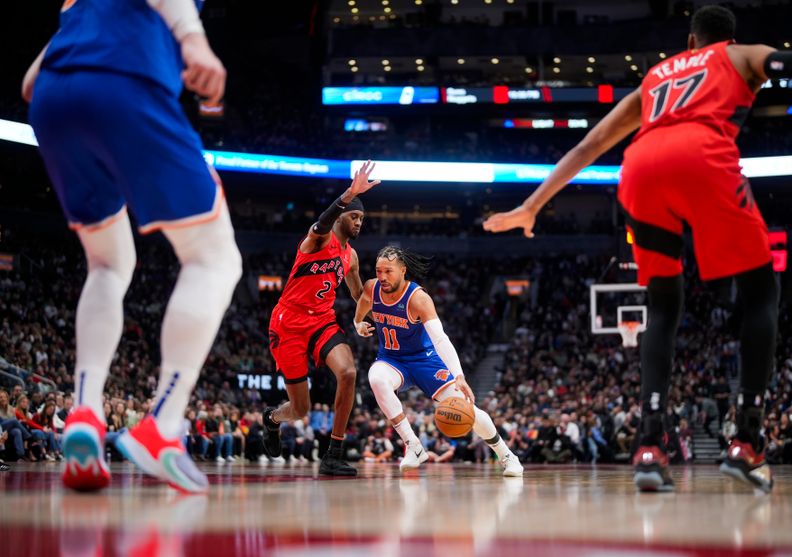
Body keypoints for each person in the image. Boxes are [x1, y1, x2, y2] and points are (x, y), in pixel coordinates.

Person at [483, 5, 792, 493]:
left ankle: (650, 445)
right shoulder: (739, 55)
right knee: (761, 292)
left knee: (662, 306)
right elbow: (788, 63)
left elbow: (589, 146)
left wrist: (531, 206)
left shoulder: (656, 76)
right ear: (726, 39)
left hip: (641, 168)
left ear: (690, 41)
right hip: (703, 156)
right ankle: (749, 440)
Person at [24, 0, 241, 492]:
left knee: (108, 263)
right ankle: (162, 426)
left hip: (53, 99)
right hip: (125, 82)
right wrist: (193, 39)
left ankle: (84, 411)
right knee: (214, 257)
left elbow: (29, 82)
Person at [353, 246, 523, 477]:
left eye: (388, 271)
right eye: (378, 270)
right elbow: (363, 301)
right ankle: (413, 446)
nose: (382, 276)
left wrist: (459, 376)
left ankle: (506, 455)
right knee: (376, 378)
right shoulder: (372, 288)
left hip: (425, 361)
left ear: (403, 270)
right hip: (392, 360)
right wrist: (357, 323)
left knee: (467, 410)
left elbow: (441, 340)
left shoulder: (419, 299)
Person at [262, 162, 380, 476]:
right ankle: (272, 419)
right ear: (341, 216)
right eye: (355, 216)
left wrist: (379, 306)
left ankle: (334, 453)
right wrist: (348, 195)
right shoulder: (316, 241)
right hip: (288, 323)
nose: (359, 223)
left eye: (362, 219)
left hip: (321, 321)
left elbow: (359, 296)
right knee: (300, 409)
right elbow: (322, 220)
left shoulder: (351, 256)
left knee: (349, 373)